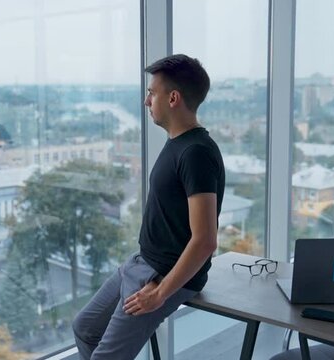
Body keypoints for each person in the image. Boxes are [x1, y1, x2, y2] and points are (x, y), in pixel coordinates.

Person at [72, 54, 225, 360]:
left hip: (161, 274)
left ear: (173, 98)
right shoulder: (178, 142)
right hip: (142, 261)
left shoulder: (196, 152)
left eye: (151, 93)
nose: (146, 101)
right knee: (85, 327)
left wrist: (160, 292)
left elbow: (205, 240)